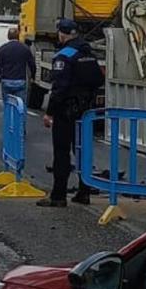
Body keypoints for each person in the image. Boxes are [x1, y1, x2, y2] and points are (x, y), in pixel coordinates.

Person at [40, 19, 104, 207]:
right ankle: (84, 192)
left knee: (61, 153)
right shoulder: (88, 54)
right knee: (83, 151)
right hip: (85, 111)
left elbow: (59, 87)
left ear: (62, 33)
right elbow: (98, 80)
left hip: (66, 111)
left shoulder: (64, 55)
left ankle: (58, 196)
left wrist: (49, 112)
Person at [0, 27, 35, 101]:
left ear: (8, 36)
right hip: (20, 81)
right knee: (19, 105)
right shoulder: (25, 48)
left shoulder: (2, 49)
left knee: (8, 105)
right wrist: (33, 76)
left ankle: (8, 112)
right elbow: (32, 64)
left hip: (6, 80)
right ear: (18, 36)